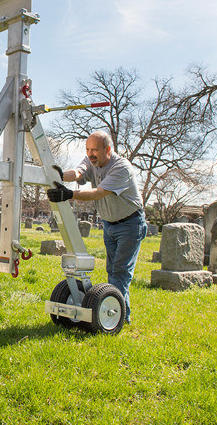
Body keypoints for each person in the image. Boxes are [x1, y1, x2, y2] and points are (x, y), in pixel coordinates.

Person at [46, 131, 147, 323]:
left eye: (95, 150)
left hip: (130, 224)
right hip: (110, 224)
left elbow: (99, 193)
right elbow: (78, 173)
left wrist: (70, 195)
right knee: (113, 270)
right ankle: (121, 314)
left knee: (120, 271)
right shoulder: (93, 162)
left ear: (108, 150)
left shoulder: (121, 168)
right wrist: (59, 175)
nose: (90, 154)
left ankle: (115, 317)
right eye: (88, 149)